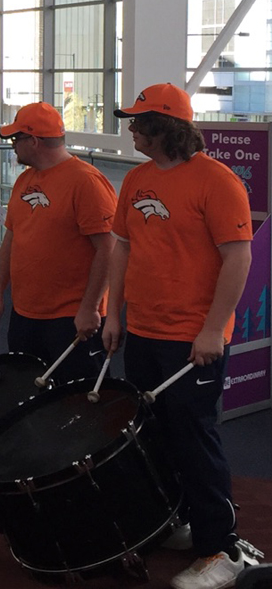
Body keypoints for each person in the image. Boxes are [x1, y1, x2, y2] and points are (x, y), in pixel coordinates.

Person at [103, 83, 253, 589]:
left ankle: (221, 549)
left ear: (164, 128)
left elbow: (239, 257)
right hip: (143, 329)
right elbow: (122, 248)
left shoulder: (217, 181)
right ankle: (181, 521)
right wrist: (114, 314)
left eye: (138, 122)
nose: (130, 129)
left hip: (194, 339)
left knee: (194, 437)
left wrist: (213, 330)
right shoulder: (136, 180)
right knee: (156, 434)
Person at [0, 102, 117, 384]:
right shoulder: (25, 180)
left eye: (15, 139)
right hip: (26, 314)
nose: (13, 146)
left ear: (33, 141)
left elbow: (108, 249)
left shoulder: (86, 182)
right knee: (28, 391)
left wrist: (90, 307)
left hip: (71, 318)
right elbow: (12, 238)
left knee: (78, 400)